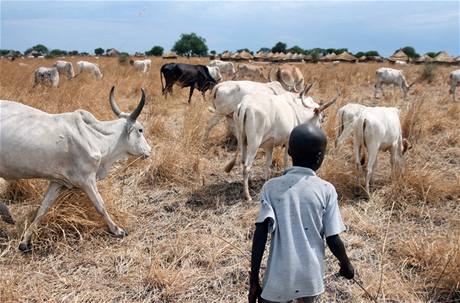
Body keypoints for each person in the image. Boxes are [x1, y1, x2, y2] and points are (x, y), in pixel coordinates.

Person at [248, 123, 354, 303]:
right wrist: (346, 264)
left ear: (289, 151)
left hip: (278, 276)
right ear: (320, 156)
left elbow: (260, 235)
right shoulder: (326, 190)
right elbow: (333, 238)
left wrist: (254, 280)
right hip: (310, 277)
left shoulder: (271, 188)